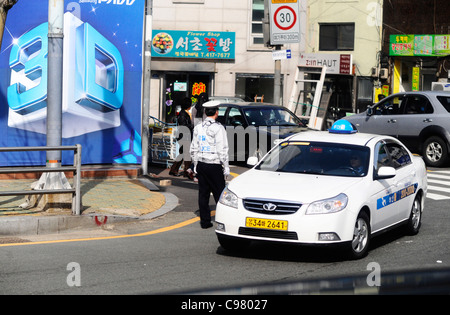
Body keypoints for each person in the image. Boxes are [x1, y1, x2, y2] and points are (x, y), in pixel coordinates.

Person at [190, 100, 230, 229]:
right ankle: (223, 220)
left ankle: (205, 222)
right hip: (214, 165)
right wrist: (226, 167)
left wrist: (195, 164)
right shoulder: (218, 128)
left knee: (203, 194)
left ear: (205, 112)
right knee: (219, 193)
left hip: (201, 163)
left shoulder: (198, 127)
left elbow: (193, 148)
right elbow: (222, 149)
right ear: (217, 112)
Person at [169, 98, 194, 178]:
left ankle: (174, 170)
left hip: (183, 136)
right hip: (184, 137)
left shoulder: (184, 113)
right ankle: (187, 172)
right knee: (187, 155)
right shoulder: (183, 114)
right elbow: (184, 126)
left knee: (183, 154)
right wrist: (193, 126)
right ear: (188, 105)